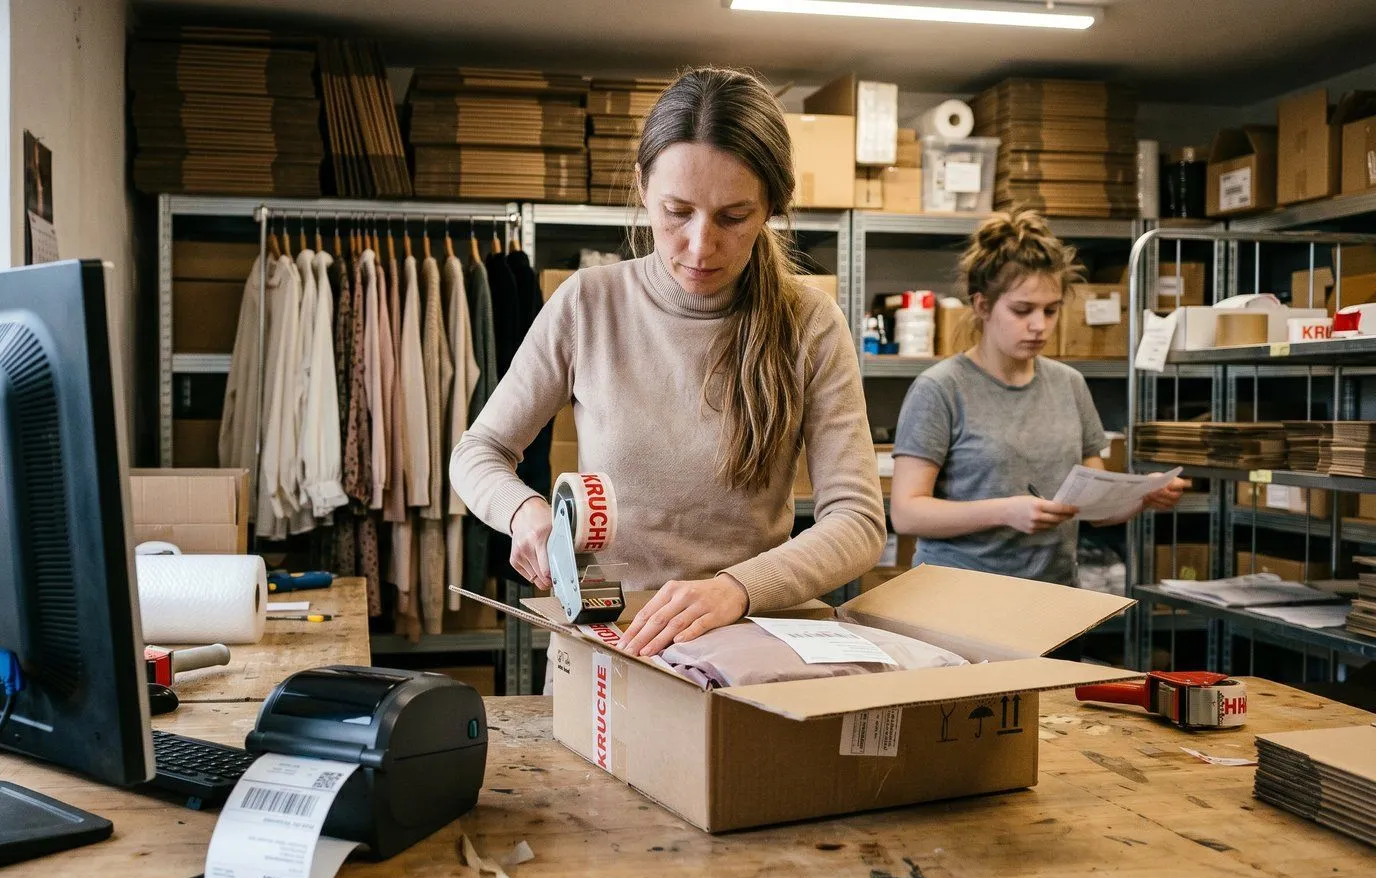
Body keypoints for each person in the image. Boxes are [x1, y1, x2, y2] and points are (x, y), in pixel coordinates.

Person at [449, 68, 885, 659]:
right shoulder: (587, 303)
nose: (701, 246)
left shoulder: (811, 322)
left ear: (772, 207)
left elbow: (857, 520)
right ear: (642, 186)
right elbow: (478, 452)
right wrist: (522, 511)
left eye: (734, 217)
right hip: (606, 641)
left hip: (741, 645)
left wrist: (737, 589)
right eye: (677, 211)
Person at [890, 209, 1187, 588]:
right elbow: (907, 513)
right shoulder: (940, 388)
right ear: (982, 305)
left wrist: (1142, 494)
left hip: (1053, 592)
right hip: (961, 595)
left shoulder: (1069, 384)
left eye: (1051, 310)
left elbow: (1095, 509)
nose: (1039, 326)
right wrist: (1005, 512)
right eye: (1022, 310)